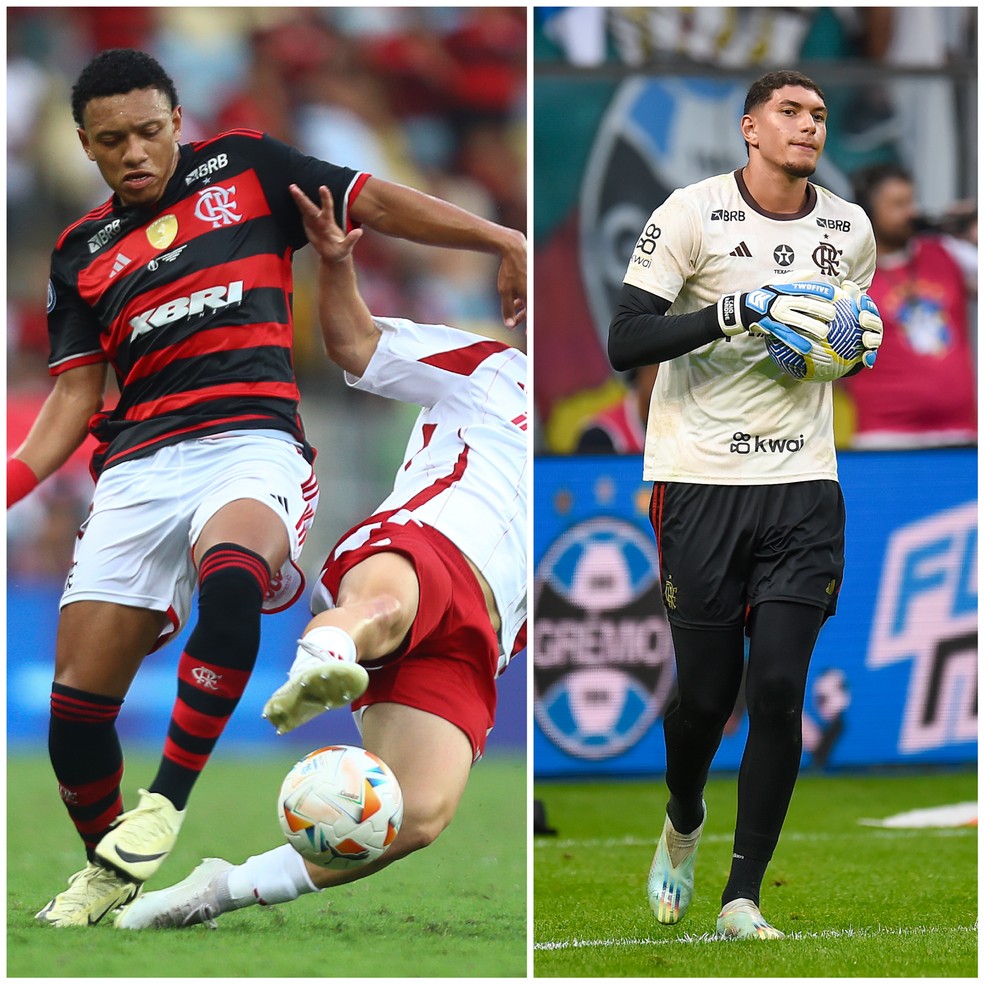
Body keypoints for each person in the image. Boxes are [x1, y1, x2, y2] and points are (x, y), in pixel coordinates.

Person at [9, 47, 526, 928]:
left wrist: (496, 236)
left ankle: (166, 803)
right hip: (135, 467)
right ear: (86, 148)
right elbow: (71, 397)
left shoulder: (245, 166)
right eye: (110, 141)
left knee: (235, 577)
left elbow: (372, 200)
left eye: (147, 131)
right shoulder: (80, 253)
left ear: (178, 122)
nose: (133, 152)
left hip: (250, 443)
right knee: (75, 705)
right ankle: (110, 864)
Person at [115, 181, 527, 930]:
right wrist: (335, 262)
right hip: (428, 543)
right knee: (388, 606)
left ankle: (222, 888)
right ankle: (323, 656)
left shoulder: (602, 446)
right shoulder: (498, 370)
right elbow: (357, 346)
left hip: (482, 633)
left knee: (420, 813)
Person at [607, 70, 883, 939]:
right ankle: (683, 815)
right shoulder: (690, 214)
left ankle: (741, 898)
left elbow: (848, 338)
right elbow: (626, 340)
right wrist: (737, 307)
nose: (809, 127)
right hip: (699, 476)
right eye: (792, 113)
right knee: (703, 699)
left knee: (776, 688)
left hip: (803, 482)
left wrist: (844, 349)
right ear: (750, 129)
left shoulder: (850, 228)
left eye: (820, 117)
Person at [839, 163, 976, 448]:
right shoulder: (848, 272)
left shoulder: (945, 251)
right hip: (885, 436)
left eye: (911, 201)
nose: (910, 212)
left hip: (961, 431)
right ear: (867, 211)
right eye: (898, 204)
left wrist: (973, 234)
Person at [574, 364, 658, 454]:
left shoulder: (672, 423)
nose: (665, 380)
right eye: (658, 368)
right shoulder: (601, 435)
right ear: (639, 373)